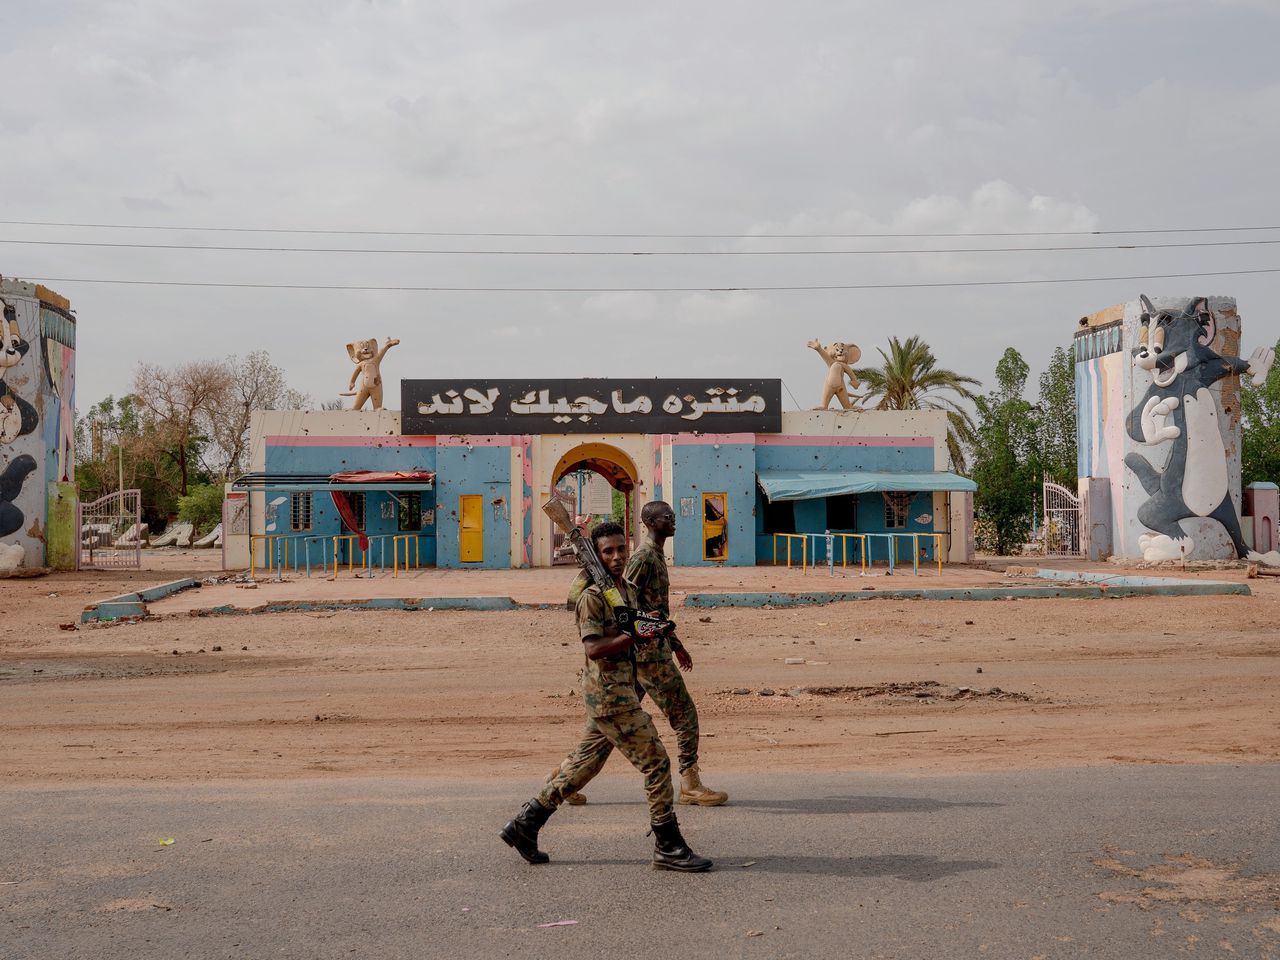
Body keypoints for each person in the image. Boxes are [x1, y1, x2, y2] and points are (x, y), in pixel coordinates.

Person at [500, 520, 712, 872]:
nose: (616, 557)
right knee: (656, 761)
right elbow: (595, 648)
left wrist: (654, 625)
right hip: (610, 698)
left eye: (620, 550)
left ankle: (526, 824)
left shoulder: (624, 589)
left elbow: (631, 620)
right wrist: (636, 635)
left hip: (618, 692)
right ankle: (668, 844)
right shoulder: (591, 597)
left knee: (584, 766)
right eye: (608, 552)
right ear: (597, 556)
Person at [552, 502, 728, 806]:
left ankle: (561, 780)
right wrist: (646, 637)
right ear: (649, 522)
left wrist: (675, 642)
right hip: (647, 656)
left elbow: (646, 607)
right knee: (684, 716)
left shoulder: (653, 554)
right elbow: (625, 603)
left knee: (607, 727)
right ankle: (690, 784)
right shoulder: (643, 557)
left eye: (673, 516)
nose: (673, 521)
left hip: (644, 651)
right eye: (666, 517)